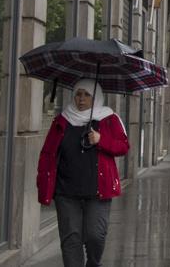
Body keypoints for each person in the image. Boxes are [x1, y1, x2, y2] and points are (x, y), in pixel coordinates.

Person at [37, 79, 129, 267]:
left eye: (87, 95)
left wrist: (101, 140)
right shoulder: (62, 119)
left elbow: (123, 146)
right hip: (66, 191)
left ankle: (94, 263)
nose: (81, 99)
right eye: (78, 94)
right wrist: (44, 185)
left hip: (97, 191)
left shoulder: (108, 118)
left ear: (96, 98)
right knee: (71, 238)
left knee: (96, 235)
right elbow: (48, 154)